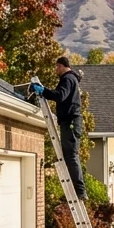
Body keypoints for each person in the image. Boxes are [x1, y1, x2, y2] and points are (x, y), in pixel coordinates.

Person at [31, 57, 86, 199]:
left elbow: (60, 95)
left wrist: (43, 91)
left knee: (71, 156)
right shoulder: (72, 79)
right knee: (68, 156)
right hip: (70, 122)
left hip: (71, 121)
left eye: (56, 67)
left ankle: (79, 191)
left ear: (61, 66)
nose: (56, 70)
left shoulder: (67, 79)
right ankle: (77, 190)